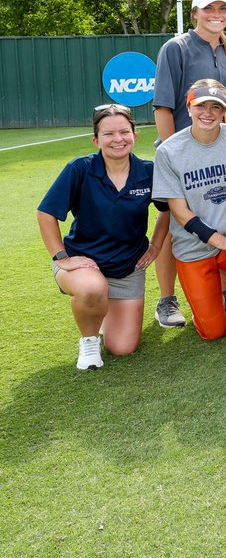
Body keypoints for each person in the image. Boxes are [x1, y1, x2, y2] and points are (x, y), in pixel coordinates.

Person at [37, 104, 169, 369]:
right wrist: (61, 257)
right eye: (108, 134)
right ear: (96, 140)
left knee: (122, 347)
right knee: (92, 288)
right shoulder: (80, 168)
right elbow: (46, 213)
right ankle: (89, 340)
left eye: (124, 132)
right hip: (84, 264)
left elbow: (167, 210)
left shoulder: (148, 172)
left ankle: (102, 310)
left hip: (127, 267)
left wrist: (155, 245)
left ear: (135, 135)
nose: (118, 139)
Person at [150, 0, 226, 329]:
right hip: (181, 156)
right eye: (208, 8)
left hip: (217, 153)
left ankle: (224, 289)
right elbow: (163, 106)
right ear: (195, 13)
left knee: (222, 214)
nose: (216, 15)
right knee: (171, 222)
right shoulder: (176, 48)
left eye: (223, 9)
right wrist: (173, 155)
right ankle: (166, 298)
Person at [152, 81, 226, 361]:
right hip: (194, 246)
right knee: (213, 331)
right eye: (201, 105)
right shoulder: (169, 150)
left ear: (225, 111)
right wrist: (220, 241)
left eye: (216, 106)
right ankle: (213, 298)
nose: (208, 112)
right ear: (189, 107)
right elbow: (179, 212)